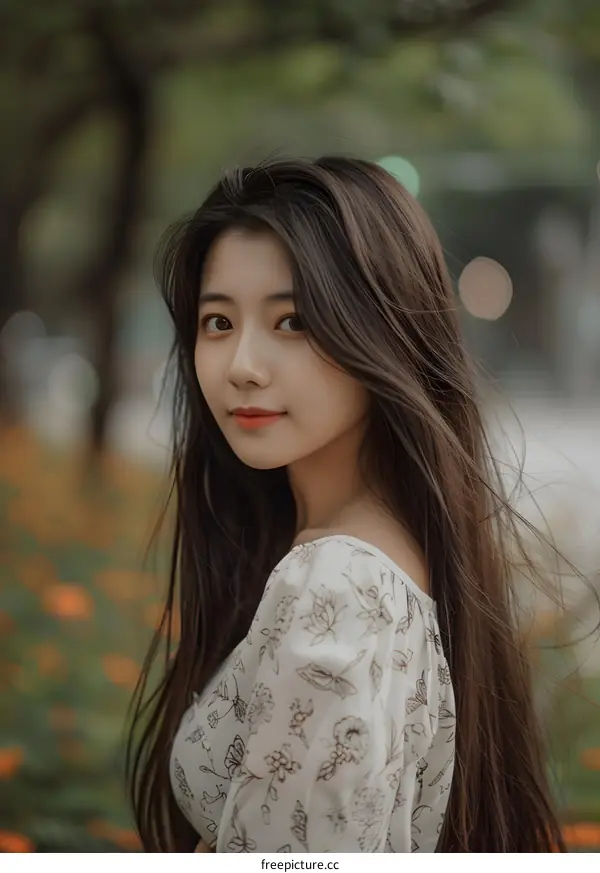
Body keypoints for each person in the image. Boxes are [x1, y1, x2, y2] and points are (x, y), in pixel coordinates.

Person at [126, 156, 567, 852]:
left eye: (293, 320)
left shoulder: (338, 588)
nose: (241, 362)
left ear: (383, 331)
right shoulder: (386, 551)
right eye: (216, 322)